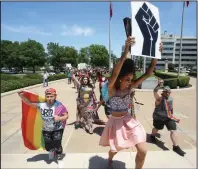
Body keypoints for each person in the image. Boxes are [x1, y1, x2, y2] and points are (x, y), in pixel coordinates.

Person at [99, 36, 163, 169]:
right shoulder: (111, 89)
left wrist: (156, 56)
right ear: (120, 78)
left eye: (131, 79)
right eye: (127, 79)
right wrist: (126, 50)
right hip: (115, 124)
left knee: (143, 150)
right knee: (114, 150)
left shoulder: (130, 87)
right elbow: (115, 73)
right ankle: (110, 160)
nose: (130, 82)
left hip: (129, 120)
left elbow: (148, 74)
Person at [18, 88, 69, 168]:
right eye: (47, 96)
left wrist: (59, 118)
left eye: (51, 96)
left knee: (57, 143)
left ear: (55, 96)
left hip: (57, 129)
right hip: (46, 130)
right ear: (45, 96)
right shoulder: (41, 105)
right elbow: (29, 102)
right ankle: (51, 150)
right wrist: (21, 95)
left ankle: (59, 159)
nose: (49, 98)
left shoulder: (59, 105)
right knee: (48, 146)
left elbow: (66, 116)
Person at [150, 80, 186, 156]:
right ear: (163, 92)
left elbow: (171, 108)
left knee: (173, 130)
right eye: (166, 92)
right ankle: (152, 136)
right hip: (159, 118)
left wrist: (172, 116)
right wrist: (158, 85)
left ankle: (175, 147)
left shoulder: (170, 99)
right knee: (156, 129)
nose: (167, 93)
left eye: (168, 92)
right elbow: (155, 92)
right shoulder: (159, 98)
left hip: (168, 117)